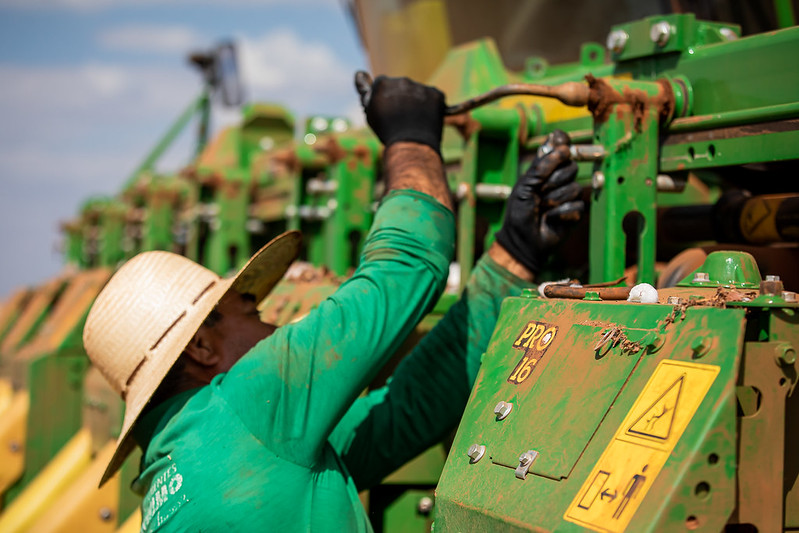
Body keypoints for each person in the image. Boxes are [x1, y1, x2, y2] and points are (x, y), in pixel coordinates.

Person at [83, 74, 581, 532]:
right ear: (202, 349)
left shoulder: (191, 461)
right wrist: (410, 137)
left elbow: (402, 416)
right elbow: (407, 265)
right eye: (252, 314)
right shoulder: (248, 404)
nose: (274, 327)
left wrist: (512, 256)